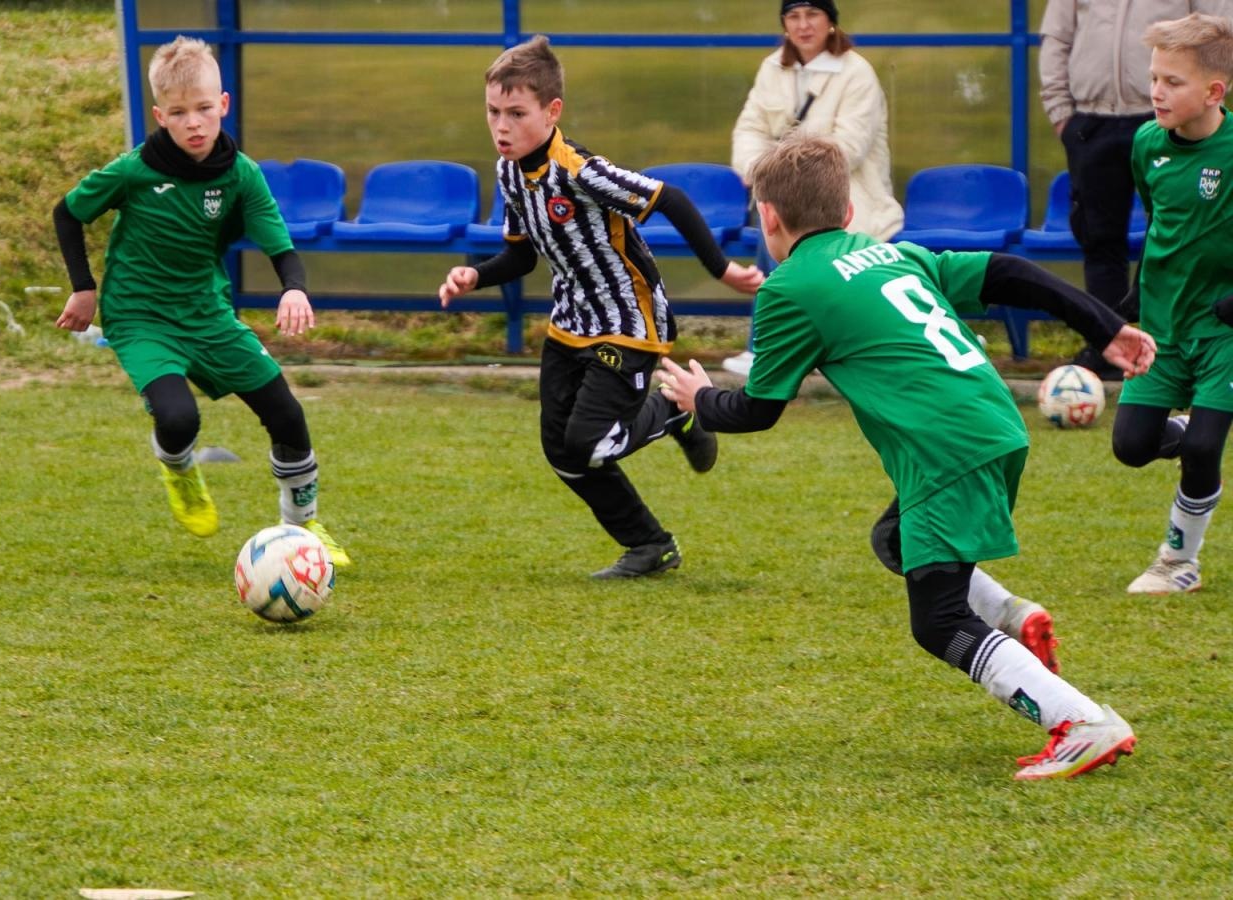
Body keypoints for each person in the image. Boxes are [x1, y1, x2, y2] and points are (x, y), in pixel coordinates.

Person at [659, 133, 1154, 779]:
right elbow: (1009, 271)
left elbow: (757, 409)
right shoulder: (886, 254)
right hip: (993, 424)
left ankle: (1081, 723)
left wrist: (699, 398)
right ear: (846, 214)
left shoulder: (789, 289)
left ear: (769, 217)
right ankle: (1013, 617)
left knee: (938, 621)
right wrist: (1105, 325)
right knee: (895, 537)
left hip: (948, 448)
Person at [437, 36, 763, 579]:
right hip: (571, 324)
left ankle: (676, 413)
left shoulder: (581, 170)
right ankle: (649, 545)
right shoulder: (510, 171)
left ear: (552, 111)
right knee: (560, 450)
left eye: (517, 113)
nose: (502, 126)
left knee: (587, 443)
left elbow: (671, 199)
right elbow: (521, 257)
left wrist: (723, 270)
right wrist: (476, 275)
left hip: (629, 323)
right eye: (493, 112)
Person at [52, 36, 350, 566]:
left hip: (207, 313)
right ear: (160, 114)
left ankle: (301, 531)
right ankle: (179, 467)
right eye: (181, 112)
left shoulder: (241, 175)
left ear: (224, 106)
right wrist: (84, 286)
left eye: (205, 109)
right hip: (140, 317)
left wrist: (295, 288)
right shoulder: (134, 170)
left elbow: (279, 246)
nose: (195, 123)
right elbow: (68, 212)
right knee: (178, 418)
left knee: (285, 411)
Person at [1039, 0, 1233, 381]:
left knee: (1172, 233)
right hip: (1091, 121)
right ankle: (1108, 344)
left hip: (1164, 118)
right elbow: (1056, 38)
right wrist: (1063, 113)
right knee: (1098, 239)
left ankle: (1178, 349)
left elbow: (1221, 31)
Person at [1110, 13, 1233, 594]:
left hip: (1224, 330)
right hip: (1163, 325)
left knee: (1205, 449)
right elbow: (1160, 220)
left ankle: (1177, 563)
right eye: (1154, 77)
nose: (1157, 91)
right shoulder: (1145, 145)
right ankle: (1191, 427)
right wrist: (1137, 293)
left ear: (1215, 91)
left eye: (1173, 81)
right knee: (1131, 447)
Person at [722, 0, 903, 379]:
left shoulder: (857, 73)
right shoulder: (772, 68)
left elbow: (847, 148)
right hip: (783, 192)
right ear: (785, 25)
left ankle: (778, 347)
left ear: (831, 22)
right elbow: (748, 130)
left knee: (788, 227)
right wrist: (760, 172)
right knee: (775, 219)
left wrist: (778, 175)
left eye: (813, 15)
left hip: (847, 195)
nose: (803, 25)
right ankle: (771, 347)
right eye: (794, 17)